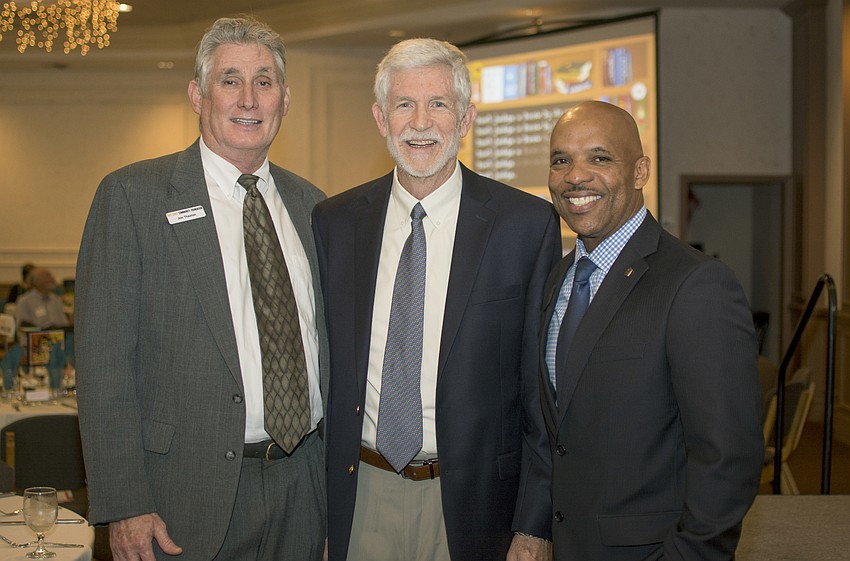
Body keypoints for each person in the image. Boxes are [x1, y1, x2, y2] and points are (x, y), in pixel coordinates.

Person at [75, 16, 328, 561]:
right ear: (197, 94)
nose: (249, 98)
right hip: (180, 496)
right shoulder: (133, 197)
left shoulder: (315, 208)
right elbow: (103, 366)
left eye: (264, 82)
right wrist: (124, 503)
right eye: (229, 80)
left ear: (285, 99)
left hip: (303, 488)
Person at [312, 38, 561, 561]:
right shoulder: (335, 223)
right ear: (381, 118)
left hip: (476, 505)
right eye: (404, 104)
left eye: (438, 104)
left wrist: (534, 525)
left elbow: (540, 392)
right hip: (363, 495)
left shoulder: (524, 225)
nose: (420, 122)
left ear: (466, 118)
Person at [541, 100, 764, 560]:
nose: (575, 176)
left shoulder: (696, 284)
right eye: (561, 160)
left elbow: (728, 458)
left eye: (599, 157)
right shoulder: (556, 279)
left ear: (641, 171)